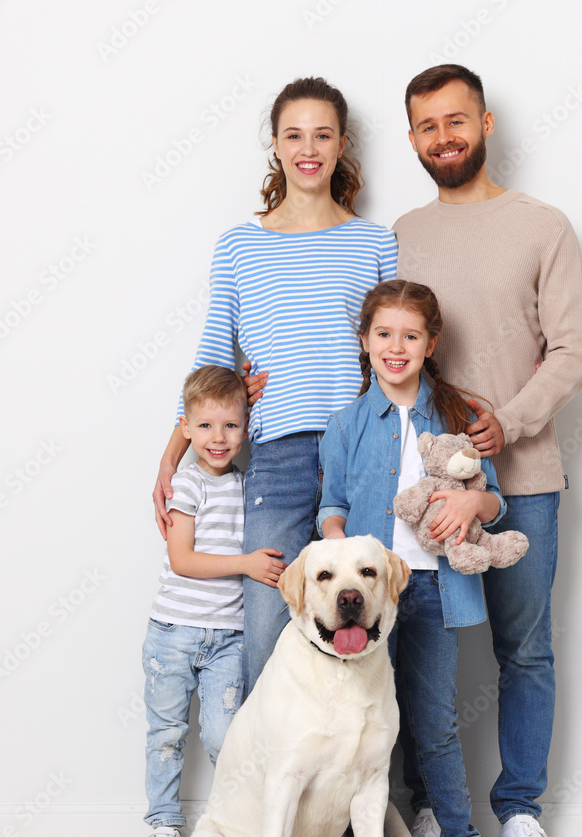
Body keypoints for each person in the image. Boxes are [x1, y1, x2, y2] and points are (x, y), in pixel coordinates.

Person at [393, 64, 582, 837]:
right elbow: (385, 346)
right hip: (420, 488)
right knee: (414, 643)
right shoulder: (401, 234)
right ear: (412, 138)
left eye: (456, 120)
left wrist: (504, 423)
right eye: (426, 126)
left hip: (526, 478)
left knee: (524, 649)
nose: (443, 137)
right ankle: (434, 812)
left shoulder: (543, 225)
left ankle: (518, 810)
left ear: (484, 123)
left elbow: (575, 349)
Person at [153, 77, 397, 693]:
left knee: (380, 629)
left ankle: (378, 788)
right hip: (278, 459)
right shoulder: (239, 245)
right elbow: (212, 364)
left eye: (322, 134)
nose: (308, 147)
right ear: (276, 145)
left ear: (342, 144)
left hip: (362, 453)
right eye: (294, 134)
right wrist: (171, 456)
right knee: (264, 636)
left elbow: (399, 349)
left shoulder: (375, 241)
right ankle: (262, 786)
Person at [318, 279, 520, 837]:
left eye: (410, 335)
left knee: (432, 720)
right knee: (356, 724)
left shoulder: (457, 417)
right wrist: (337, 553)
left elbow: (496, 502)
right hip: (365, 604)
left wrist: (472, 501)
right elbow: (332, 506)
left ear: (431, 344)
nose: (396, 347)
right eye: (384, 335)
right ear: (365, 341)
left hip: (432, 592)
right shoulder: (347, 423)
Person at [137, 366, 285, 837]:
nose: (218, 438)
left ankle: (234, 826)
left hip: (229, 640)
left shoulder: (249, 487)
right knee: (166, 733)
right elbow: (183, 560)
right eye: (204, 427)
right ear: (185, 428)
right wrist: (246, 564)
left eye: (230, 426)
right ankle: (163, 823)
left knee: (227, 736)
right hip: (173, 635)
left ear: (247, 428)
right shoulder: (186, 483)